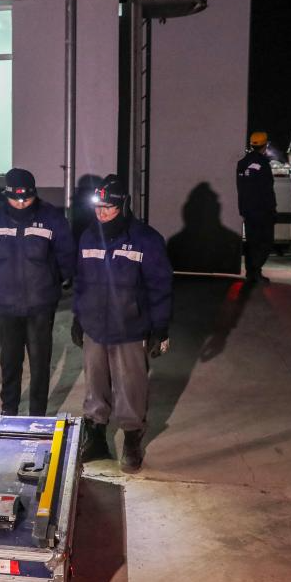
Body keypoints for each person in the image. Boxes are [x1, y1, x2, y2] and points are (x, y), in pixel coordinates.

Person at [71, 175, 173, 473]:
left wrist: (160, 328)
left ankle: (131, 440)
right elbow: (81, 282)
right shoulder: (88, 237)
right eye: (98, 207)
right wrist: (78, 317)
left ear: (123, 206)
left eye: (108, 208)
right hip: (95, 327)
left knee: (131, 387)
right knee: (95, 386)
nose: (102, 213)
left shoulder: (146, 240)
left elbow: (160, 286)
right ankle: (96, 438)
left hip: (130, 328)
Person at [0, 168, 75, 417]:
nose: (21, 203)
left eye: (27, 199)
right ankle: (9, 410)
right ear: (6, 195)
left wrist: (56, 281)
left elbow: (66, 255)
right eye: (15, 199)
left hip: (40, 305)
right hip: (5, 305)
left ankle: (37, 413)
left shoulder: (51, 217)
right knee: (10, 362)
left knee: (40, 363)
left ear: (35, 194)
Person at [236, 131, 277, 284]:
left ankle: (251, 273)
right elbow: (267, 189)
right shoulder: (263, 164)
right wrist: (272, 209)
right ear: (265, 145)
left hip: (247, 209)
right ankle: (256, 271)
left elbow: (241, 187)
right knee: (265, 242)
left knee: (252, 242)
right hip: (262, 210)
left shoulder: (242, 163)